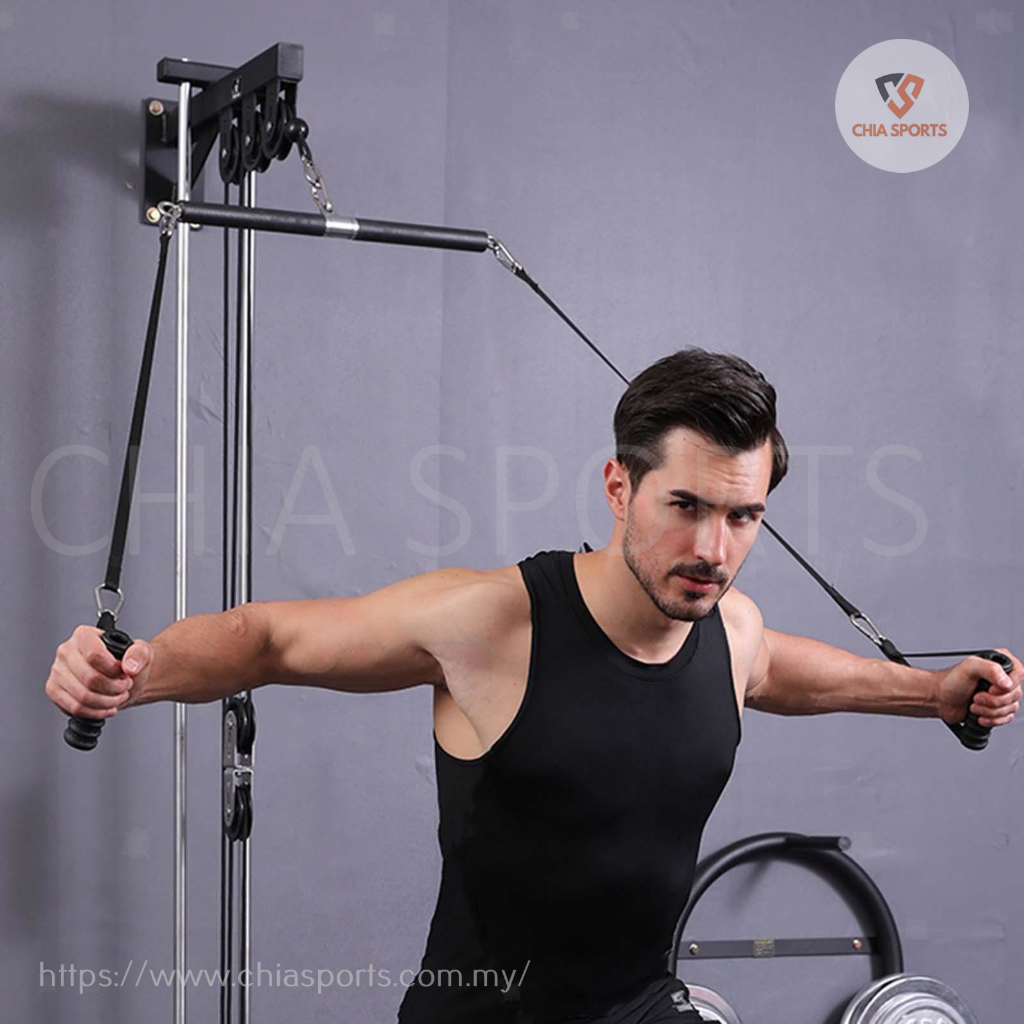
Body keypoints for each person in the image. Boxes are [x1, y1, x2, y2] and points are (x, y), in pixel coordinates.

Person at [45, 349, 1021, 1024]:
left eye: (742, 516)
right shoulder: (493, 623)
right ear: (619, 487)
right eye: (684, 506)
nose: (712, 549)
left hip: (640, 1007)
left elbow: (779, 671)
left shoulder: (733, 628)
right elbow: (269, 639)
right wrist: (131, 672)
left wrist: (932, 692)